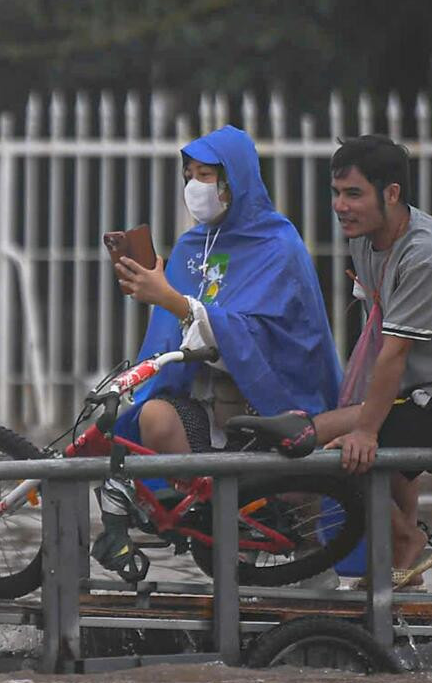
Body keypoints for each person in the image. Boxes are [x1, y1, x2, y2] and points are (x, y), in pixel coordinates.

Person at [111, 124, 346, 580]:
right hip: (208, 406)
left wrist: (175, 302)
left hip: (272, 407)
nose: (194, 186)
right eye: (189, 174)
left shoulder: (278, 245)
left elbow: (259, 337)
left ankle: (300, 552)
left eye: (206, 175)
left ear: (234, 179)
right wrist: (159, 294)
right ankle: (227, 532)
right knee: (152, 418)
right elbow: (171, 341)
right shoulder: (191, 247)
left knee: (301, 519)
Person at [308, 134, 432, 586]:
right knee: (352, 434)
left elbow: (394, 352)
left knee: (328, 446)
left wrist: (363, 428)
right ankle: (407, 565)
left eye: (354, 194)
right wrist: (367, 421)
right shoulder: (365, 238)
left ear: (392, 194)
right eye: (336, 193)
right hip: (422, 394)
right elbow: (383, 341)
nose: (341, 206)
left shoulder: (427, 254)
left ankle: (406, 540)